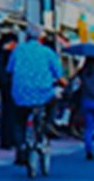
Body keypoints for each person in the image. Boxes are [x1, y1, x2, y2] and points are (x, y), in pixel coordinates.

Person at [6, 31, 68, 168]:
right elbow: (59, 74)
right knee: (54, 99)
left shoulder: (18, 50)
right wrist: (64, 83)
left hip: (20, 94)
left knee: (18, 120)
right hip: (43, 93)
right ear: (41, 39)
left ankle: (21, 145)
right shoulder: (47, 52)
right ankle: (49, 123)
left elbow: (9, 69)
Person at [0, 32, 20, 151]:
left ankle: (6, 139)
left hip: (4, 86)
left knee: (6, 112)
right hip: (10, 85)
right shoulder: (9, 55)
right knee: (12, 113)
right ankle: (10, 139)